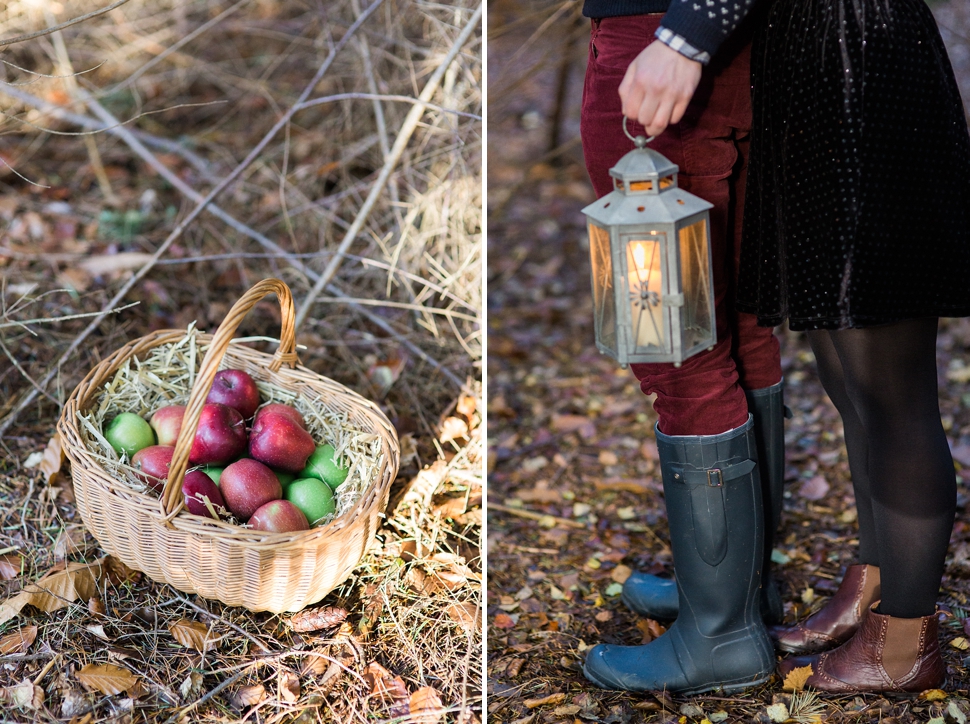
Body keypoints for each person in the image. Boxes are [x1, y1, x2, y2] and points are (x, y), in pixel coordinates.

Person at [736, 0, 970, 693]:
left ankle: (905, 641)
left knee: (892, 395)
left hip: (862, 60)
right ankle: (877, 579)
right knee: (846, 381)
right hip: (812, 63)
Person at [577, 0, 787, 694]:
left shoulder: (674, 43)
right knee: (733, 327)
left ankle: (722, 635)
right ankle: (737, 599)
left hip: (666, 46)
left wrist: (684, 36)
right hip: (714, 43)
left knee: (679, 347)